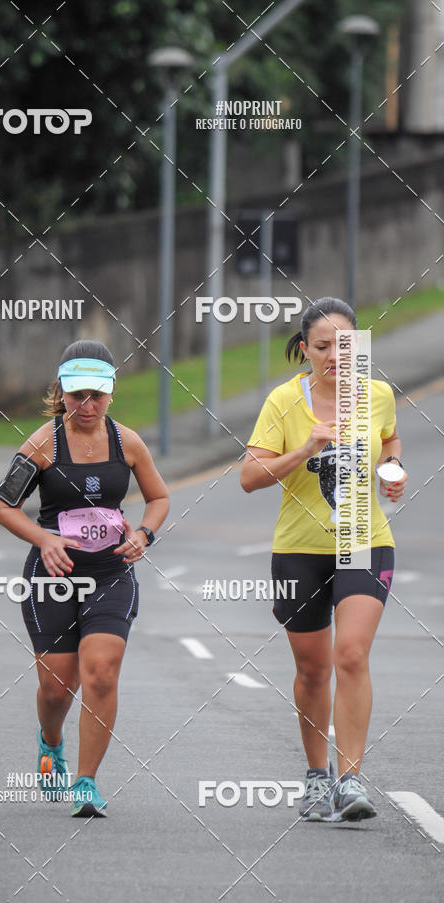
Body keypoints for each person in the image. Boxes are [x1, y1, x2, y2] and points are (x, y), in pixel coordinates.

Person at [240, 297, 407, 822]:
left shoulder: (377, 395)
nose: (335, 355)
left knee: (351, 654)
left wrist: (393, 468)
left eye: (345, 345)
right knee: (313, 671)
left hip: (364, 539)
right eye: (322, 346)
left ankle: (351, 780)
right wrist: (304, 450)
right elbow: (249, 477)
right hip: (299, 549)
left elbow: (389, 439)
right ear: (305, 349)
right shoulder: (283, 402)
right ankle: (317, 774)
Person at [0, 340, 169, 817]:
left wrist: (144, 534)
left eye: (96, 395)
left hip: (110, 571)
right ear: (61, 392)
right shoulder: (42, 443)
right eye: (76, 396)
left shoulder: (128, 443)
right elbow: (3, 506)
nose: (86, 405)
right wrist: (44, 539)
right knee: (57, 688)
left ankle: (86, 782)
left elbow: (159, 498)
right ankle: (51, 742)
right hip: (54, 574)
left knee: (102, 672)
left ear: (111, 392)